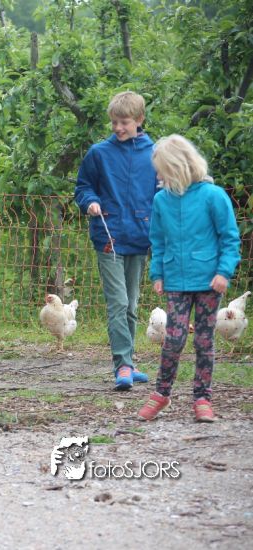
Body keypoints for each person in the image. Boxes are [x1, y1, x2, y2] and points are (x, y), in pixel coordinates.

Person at [137, 135, 241, 422]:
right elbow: (158, 240)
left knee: (204, 341)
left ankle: (202, 398)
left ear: (177, 167)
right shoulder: (161, 200)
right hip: (175, 281)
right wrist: (157, 273)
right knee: (173, 338)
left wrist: (224, 272)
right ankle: (161, 394)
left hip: (209, 282)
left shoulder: (213, 195)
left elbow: (230, 238)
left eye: (161, 170)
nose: (158, 176)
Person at [74, 91, 157, 390]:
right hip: (108, 236)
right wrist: (90, 202)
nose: (118, 128)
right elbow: (83, 187)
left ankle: (129, 363)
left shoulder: (155, 154)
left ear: (139, 119)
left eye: (124, 122)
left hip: (140, 237)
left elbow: (162, 193)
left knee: (132, 304)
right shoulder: (99, 153)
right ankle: (122, 364)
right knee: (118, 302)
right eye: (114, 122)